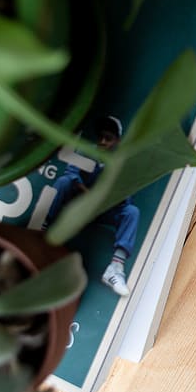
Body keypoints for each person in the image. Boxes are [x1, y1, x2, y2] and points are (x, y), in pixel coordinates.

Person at [43, 115, 138, 297]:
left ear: (117, 141)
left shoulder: (121, 164)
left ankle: (115, 268)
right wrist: (89, 196)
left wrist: (107, 200)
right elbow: (71, 175)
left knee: (131, 211)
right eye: (101, 136)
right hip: (78, 204)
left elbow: (127, 197)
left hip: (102, 211)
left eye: (108, 138)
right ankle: (43, 233)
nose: (103, 141)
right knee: (63, 182)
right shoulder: (88, 151)